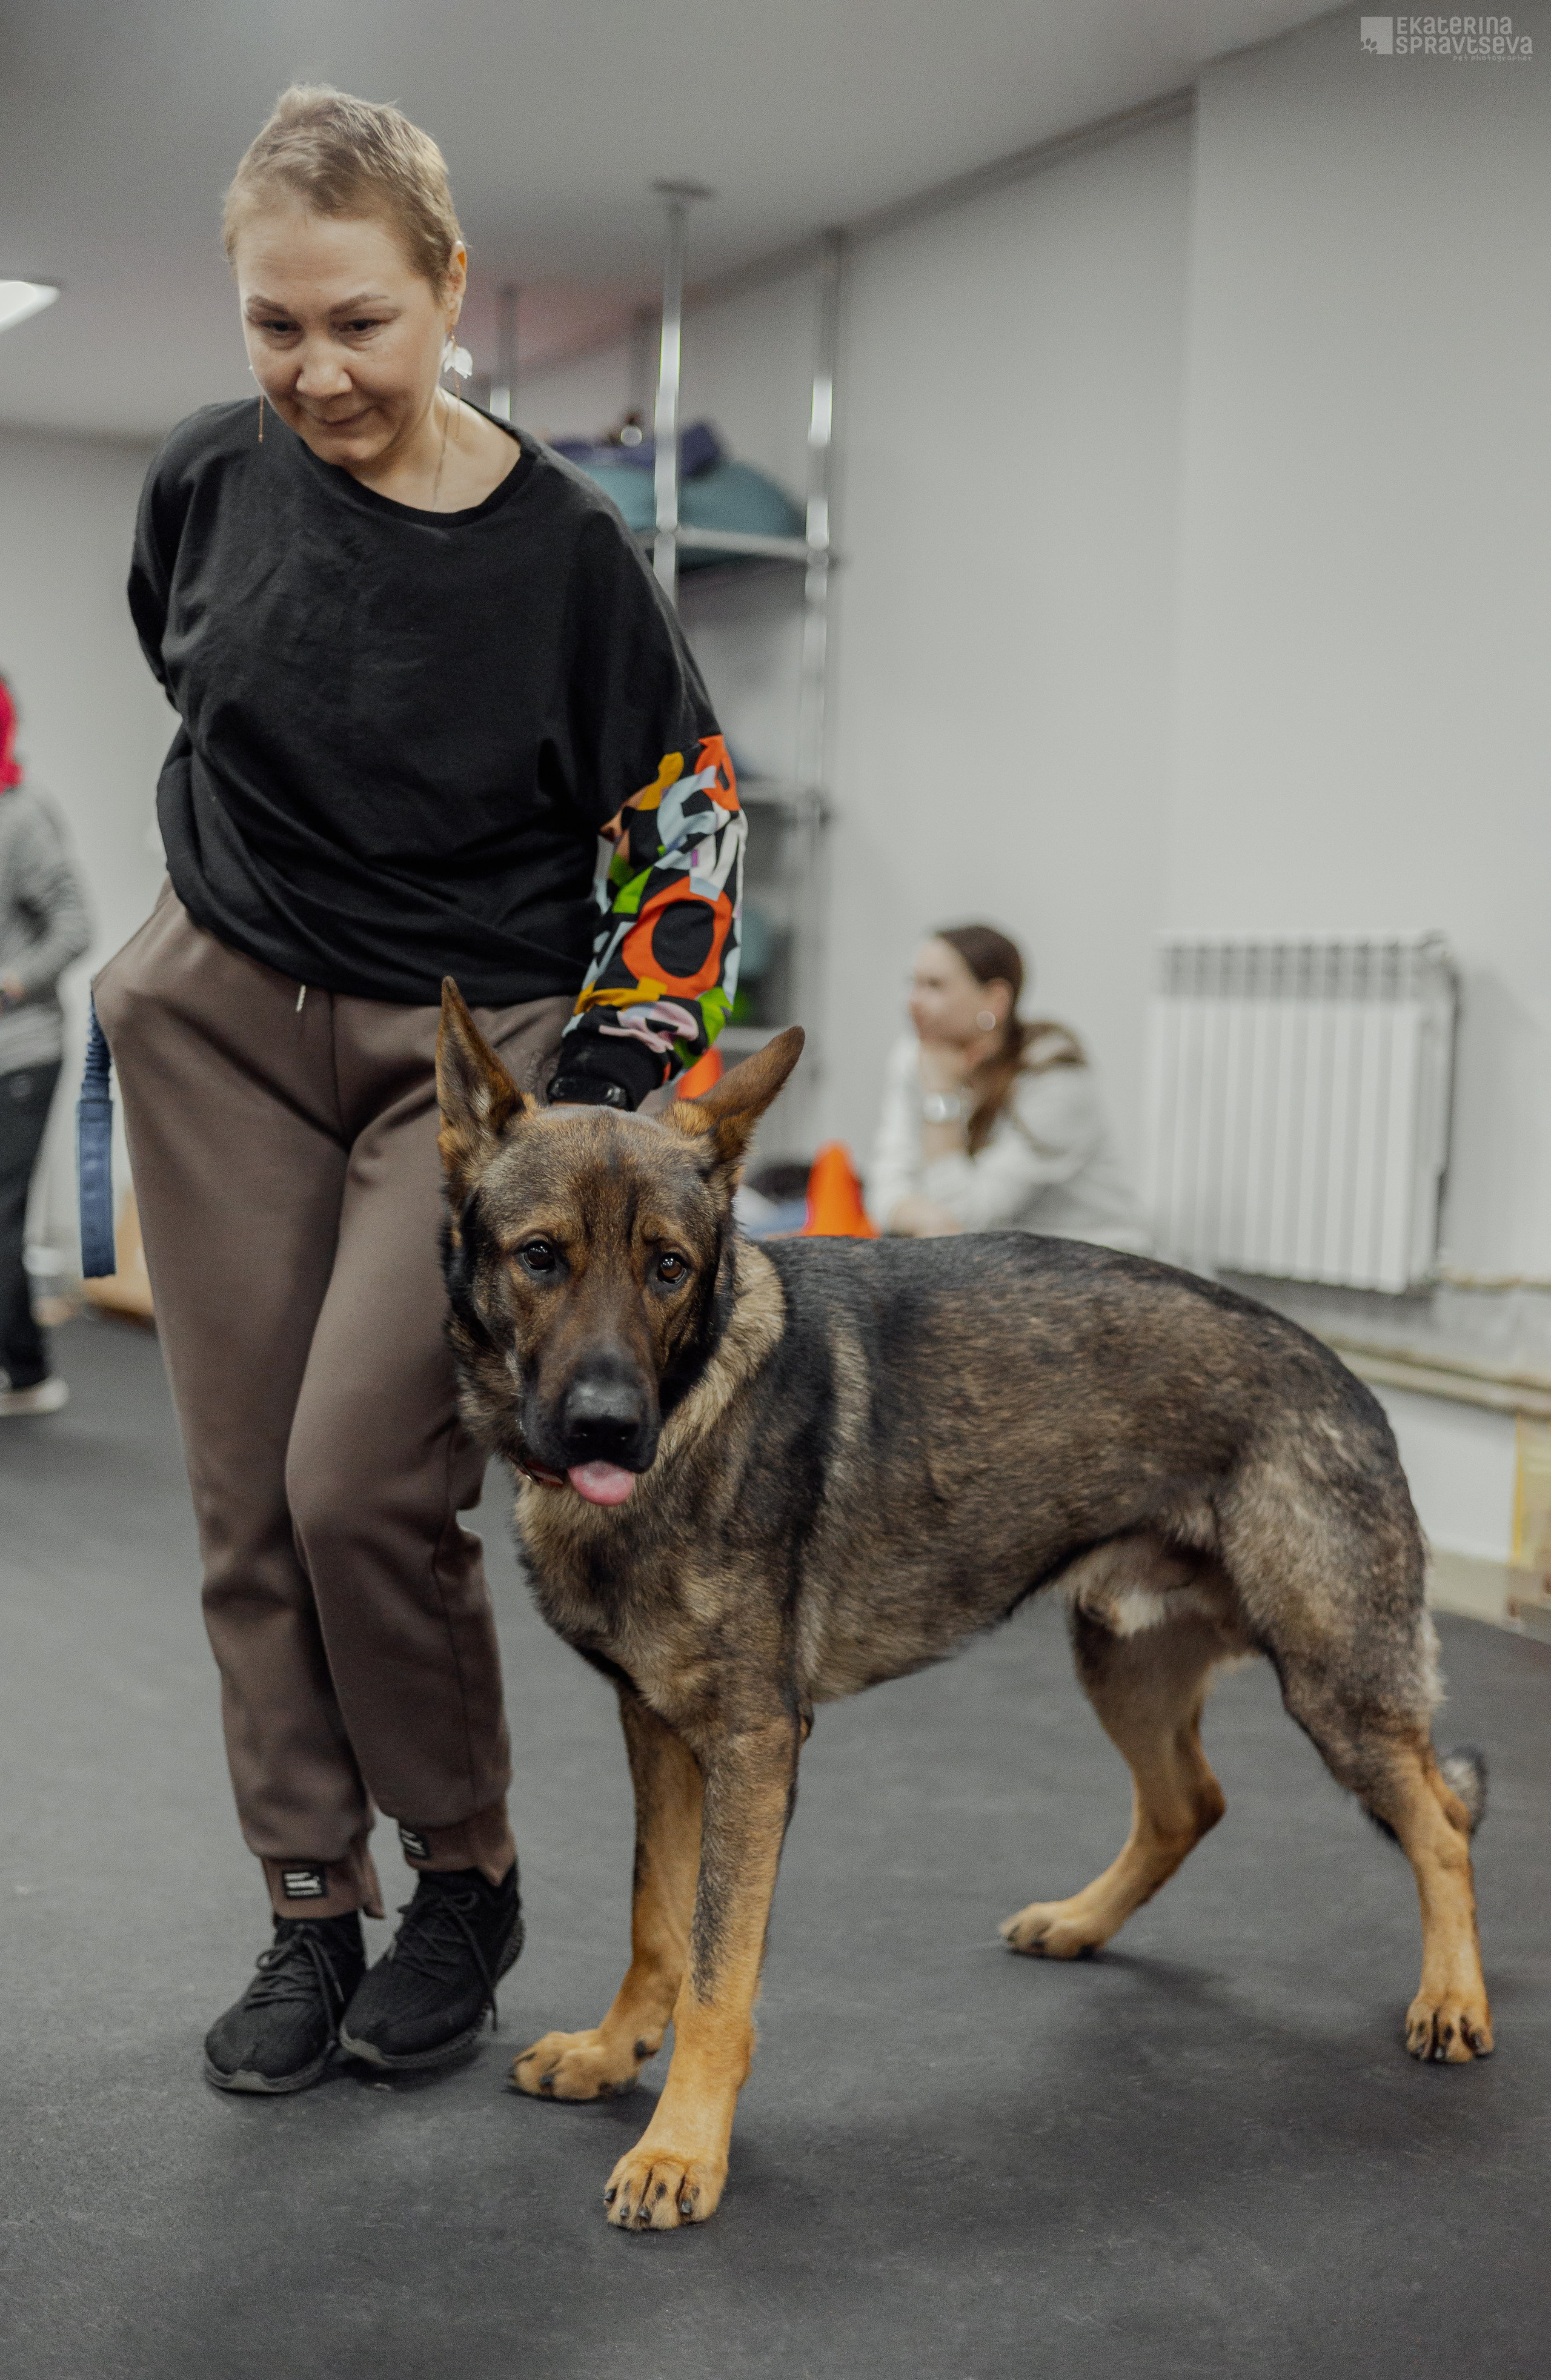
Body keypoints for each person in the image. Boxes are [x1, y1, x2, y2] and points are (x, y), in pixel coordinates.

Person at [92, 86, 743, 2097]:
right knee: (238, 1503)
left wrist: (604, 1085)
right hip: (216, 1019)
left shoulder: (567, 557)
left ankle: (461, 1873)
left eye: (359, 321)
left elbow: (689, 828)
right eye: (275, 325)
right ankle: (309, 1897)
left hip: (460, 1069)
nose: (315, 371)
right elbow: (189, 676)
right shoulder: (208, 477)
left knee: (360, 1481)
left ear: (450, 288)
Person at [868, 924, 1149, 1250]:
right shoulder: (915, 1055)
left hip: (1094, 1263)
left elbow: (969, 1217)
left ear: (996, 1001)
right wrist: (922, 1218)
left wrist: (941, 1097)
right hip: (997, 1263)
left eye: (935, 986)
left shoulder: (1056, 1080)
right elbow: (887, 1182)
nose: (913, 1002)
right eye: (912, 983)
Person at [0, 674, 90, 1418]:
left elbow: (75, 924)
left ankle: (26, 1372)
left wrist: (11, 981)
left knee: (1, 1214)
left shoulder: (24, 817)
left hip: (22, 1050)